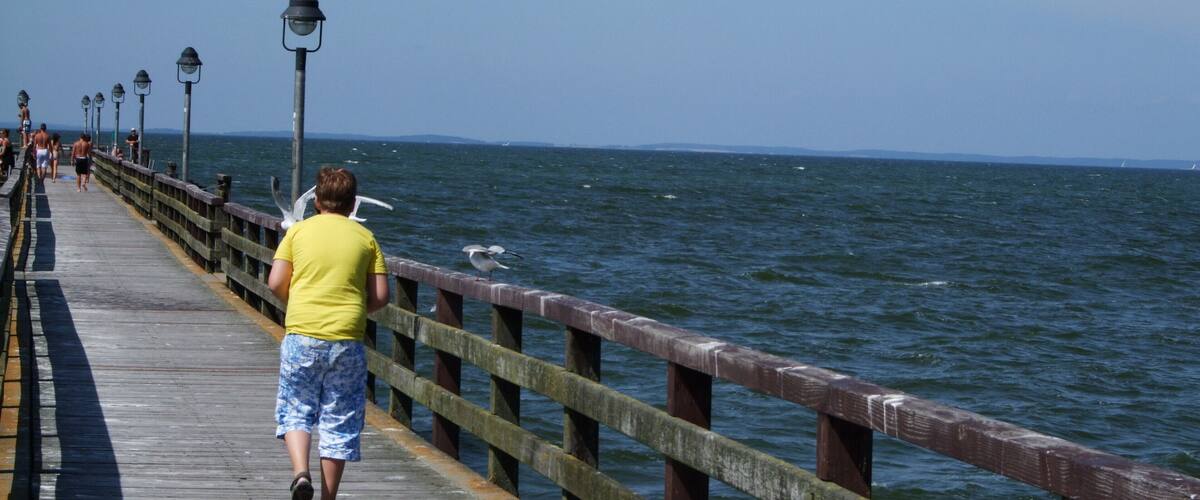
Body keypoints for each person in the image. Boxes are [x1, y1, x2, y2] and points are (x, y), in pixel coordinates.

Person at [267, 167, 389, 500]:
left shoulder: (297, 233)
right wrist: (350, 312)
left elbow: (276, 283)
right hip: (347, 338)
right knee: (339, 416)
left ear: (317, 201)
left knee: (296, 407)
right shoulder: (366, 238)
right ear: (352, 205)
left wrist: (301, 304)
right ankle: (328, 496)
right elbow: (380, 296)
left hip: (302, 334)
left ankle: (301, 474)